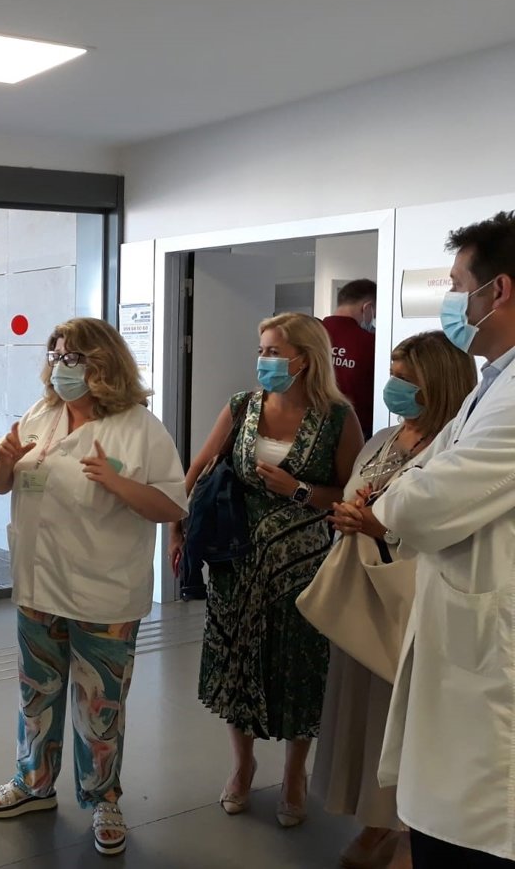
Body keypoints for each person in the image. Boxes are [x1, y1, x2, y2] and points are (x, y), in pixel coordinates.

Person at [0, 318, 187, 858]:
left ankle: (103, 797)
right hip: (37, 584)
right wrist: (4, 463)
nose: (59, 366)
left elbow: (172, 505)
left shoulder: (138, 427)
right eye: (55, 355)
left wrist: (118, 482)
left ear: (103, 361)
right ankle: (33, 782)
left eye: (71, 357)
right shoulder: (41, 414)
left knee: (100, 705)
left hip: (104, 592)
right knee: (36, 693)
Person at [360, 212, 515, 868]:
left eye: (456, 284)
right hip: (466, 639)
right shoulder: (495, 384)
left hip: (492, 662)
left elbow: (416, 505)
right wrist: (404, 490)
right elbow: (417, 478)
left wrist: (397, 494)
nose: (453, 300)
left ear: (497, 291)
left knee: (474, 830)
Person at [171, 311, 364, 829]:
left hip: (303, 567)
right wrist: (177, 527)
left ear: (305, 358)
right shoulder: (242, 406)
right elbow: (200, 467)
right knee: (237, 661)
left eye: (274, 352)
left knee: (299, 666)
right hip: (236, 561)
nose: (264, 361)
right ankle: (242, 767)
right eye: (261, 351)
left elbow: (350, 495)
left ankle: (295, 774)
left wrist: (297, 490)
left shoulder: (339, 418)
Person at [313, 331, 476, 869]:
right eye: (393, 374)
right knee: (363, 715)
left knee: (402, 718)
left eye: (407, 379)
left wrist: (378, 525)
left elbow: (440, 526)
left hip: (412, 600)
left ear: (439, 384)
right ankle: (375, 820)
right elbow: (357, 496)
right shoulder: (383, 439)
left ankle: (408, 831)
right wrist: (352, 515)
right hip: (361, 596)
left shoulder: (455, 451)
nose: (393, 386)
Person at [323, 279, 378, 436]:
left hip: (310, 427)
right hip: (356, 430)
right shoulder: (371, 343)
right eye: (375, 314)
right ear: (367, 307)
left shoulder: (311, 334)